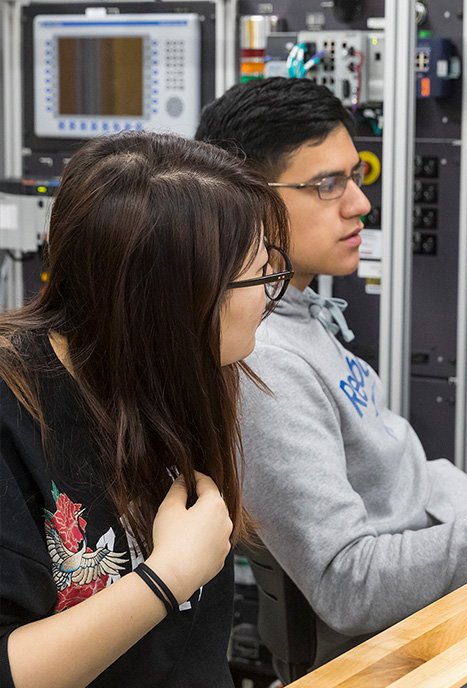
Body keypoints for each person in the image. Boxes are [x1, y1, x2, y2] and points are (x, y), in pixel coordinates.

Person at [196, 76, 467, 676]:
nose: (359, 204)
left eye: (354, 177)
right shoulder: (264, 357)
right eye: (326, 185)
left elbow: (405, 489)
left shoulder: (299, 312)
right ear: (243, 199)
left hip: (448, 602)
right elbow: (348, 585)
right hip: (397, 652)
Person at [0, 131, 292, 688]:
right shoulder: (14, 409)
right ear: (174, 298)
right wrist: (169, 576)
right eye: (258, 274)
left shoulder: (171, 371)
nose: (269, 292)